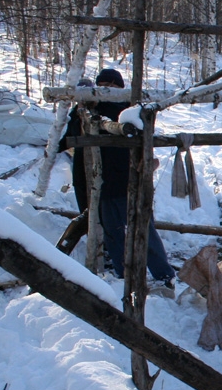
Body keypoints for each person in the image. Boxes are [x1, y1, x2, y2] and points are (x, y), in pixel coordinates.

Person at [67, 68, 176, 284]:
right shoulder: (93, 111)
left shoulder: (126, 110)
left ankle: (157, 274)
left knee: (139, 228)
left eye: (112, 86)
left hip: (125, 179)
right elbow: (71, 137)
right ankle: (129, 273)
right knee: (118, 230)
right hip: (108, 180)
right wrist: (81, 108)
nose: (109, 89)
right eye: (105, 85)